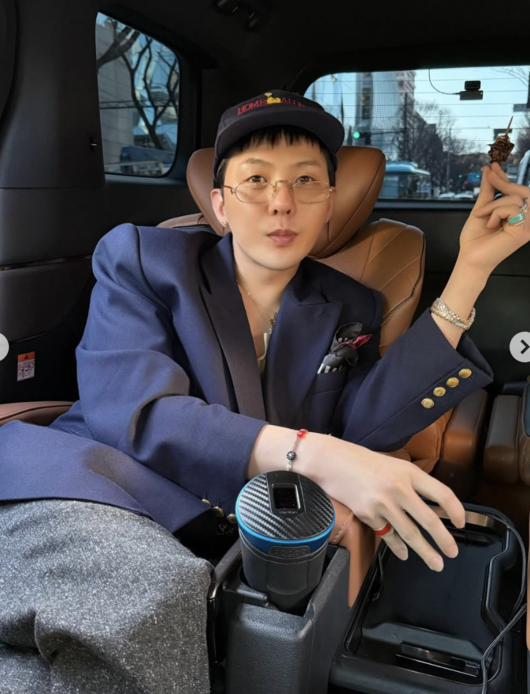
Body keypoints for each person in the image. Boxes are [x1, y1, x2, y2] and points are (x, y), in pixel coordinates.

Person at [0, 89, 528, 693]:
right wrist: (314, 453)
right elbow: (137, 412)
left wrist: (471, 272)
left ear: (328, 204)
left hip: (213, 544)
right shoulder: (144, 259)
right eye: (256, 180)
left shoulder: (350, 304)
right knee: (151, 600)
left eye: (306, 180)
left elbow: (364, 429)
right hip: (89, 492)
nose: (282, 201)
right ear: (220, 204)